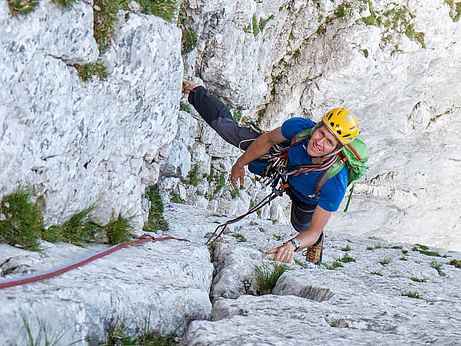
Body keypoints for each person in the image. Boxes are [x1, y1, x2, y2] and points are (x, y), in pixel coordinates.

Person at [182, 80, 360, 264]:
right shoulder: (299, 128)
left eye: (330, 142)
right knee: (231, 132)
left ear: (337, 150)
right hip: (282, 162)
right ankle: (195, 91)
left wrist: (293, 244)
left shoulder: (335, 182)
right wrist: (240, 163)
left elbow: (313, 231)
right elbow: (266, 140)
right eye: (321, 133)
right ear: (316, 127)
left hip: (306, 196)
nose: (320, 142)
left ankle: (317, 244)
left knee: (302, 226)